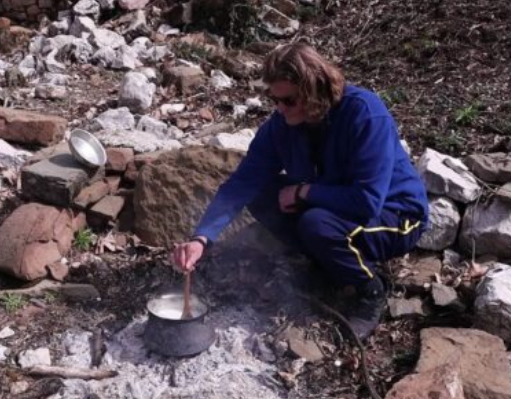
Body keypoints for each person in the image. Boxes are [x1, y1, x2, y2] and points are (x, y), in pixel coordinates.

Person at [172, 42, 429, 340]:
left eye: (289, 100)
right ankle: (324, 262)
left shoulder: (365, 115)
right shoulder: (282, 125)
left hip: (396, 215)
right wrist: (201, 238)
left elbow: (367, 201)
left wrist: (304, 193)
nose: (280, 108)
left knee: (316, 224)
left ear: (313, 90)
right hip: (335, 204)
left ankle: (370, 288)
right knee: (263, 192)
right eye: (274, 99)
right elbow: (242, 184)